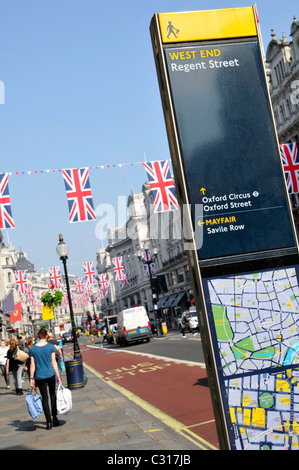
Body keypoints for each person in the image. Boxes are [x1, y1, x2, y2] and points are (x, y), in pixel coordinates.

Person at [29, 328, 62, 430]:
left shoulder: (33, 349)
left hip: (40, 376)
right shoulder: (50, 347)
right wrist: (58, 376)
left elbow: (32, 365)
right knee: (52, 395)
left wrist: (31, 378)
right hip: (50, 374)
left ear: (38, 337)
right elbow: (54, 362)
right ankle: (55, 418)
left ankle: (48, 422)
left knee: (45, 398)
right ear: (46, 336)